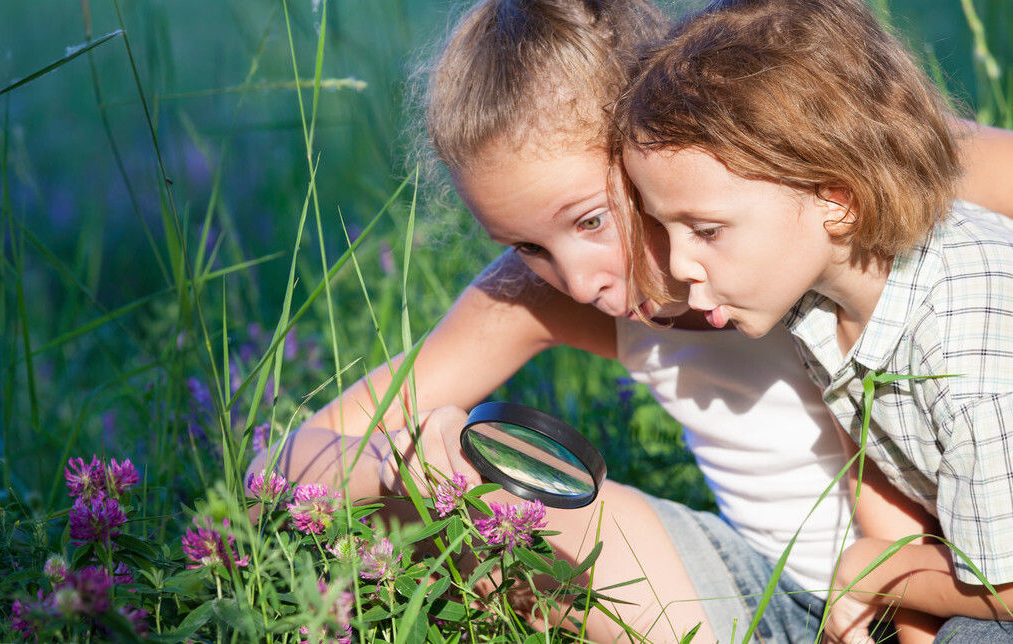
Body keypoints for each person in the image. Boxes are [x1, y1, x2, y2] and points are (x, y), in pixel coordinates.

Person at [248, 1, 1013, 641]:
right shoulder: (541, 293)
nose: (578, 281)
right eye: (525, 244)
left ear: (658, 139)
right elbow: (276, 466)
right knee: (473, 509)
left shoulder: (825, 170)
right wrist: (400, 462)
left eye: (589, 219)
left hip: (960, 588)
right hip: (759, 593)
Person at [612, 0, 1013, 641]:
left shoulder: (967, 343)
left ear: (836, 199)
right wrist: (900, 604)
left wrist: (874, 575)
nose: (678, 264)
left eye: (706, 229)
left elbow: (1004, 589)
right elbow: (884, 465)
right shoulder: (821, 302)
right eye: (663, 225)